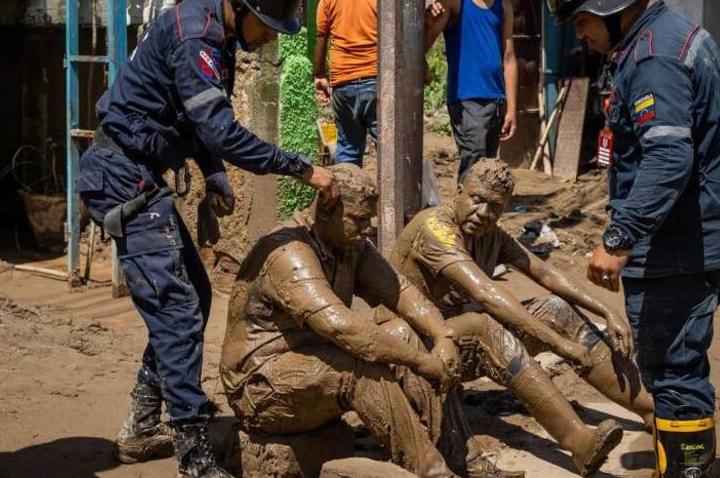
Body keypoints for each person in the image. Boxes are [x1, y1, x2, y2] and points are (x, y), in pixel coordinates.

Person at [77, 0, 336, 477]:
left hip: (139, 173)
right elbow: (219, 128)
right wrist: (302, 169)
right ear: (237, 4)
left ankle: (142, 424)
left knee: (190, 295)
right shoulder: (198, 39)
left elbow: (193, 117)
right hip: (123, 176)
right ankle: (194, 456)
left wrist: (212, 171)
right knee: (176, 309)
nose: (267, 37)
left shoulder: (210, 30)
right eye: (265, 25)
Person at [546, 0, 720, 477]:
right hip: (698, 232)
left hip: (686, 243)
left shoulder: (653, 59)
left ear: (611, 6)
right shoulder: (670, 34)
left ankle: (685, 470)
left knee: (674, 371)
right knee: (674, 363)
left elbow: (669, 157)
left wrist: (618, 239)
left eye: (582, 21)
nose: (581, 35)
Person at [221, 165, 517, 478]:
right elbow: (343, 327)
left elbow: (399, 290)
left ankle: (460, 456)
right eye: (359, 220)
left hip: (314, 367)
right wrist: (421, 361)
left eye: (369, 220)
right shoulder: (289, 254)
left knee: (404, 333)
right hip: (259, 388)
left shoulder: (351, 245)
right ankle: (432, 471)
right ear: (327, 210)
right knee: (359, 369)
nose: (366, 230)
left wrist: (442, 335)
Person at [387, 157, 636, 477]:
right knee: (484, 326)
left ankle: (649, 410)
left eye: (494, 206)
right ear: (458, 192)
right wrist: (561, 346)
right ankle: (580, 441)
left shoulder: (491, 235)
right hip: (406, 348)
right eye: (476, 200)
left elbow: (545, 273)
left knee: (555, 310)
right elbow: (486, 295)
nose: (483, 213)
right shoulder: (435, 228)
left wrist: (606, 310)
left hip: (448, 340)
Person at [425, 0, 518, 183]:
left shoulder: (504, 5)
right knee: (473, 164)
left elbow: (509, 57)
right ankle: (464, 219)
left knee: (489, 170)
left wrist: (511, 108)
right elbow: (424, 43)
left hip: (496, 99)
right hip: (467, 98)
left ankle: (483, 221)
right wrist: (428, 20)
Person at [313, 0, 379, 165]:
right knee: (390, 154)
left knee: (348, 151)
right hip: (375, 80)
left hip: (342, 84)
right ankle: (392, 202)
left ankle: (347, 200)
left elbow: (321, 36)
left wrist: (320, 74)